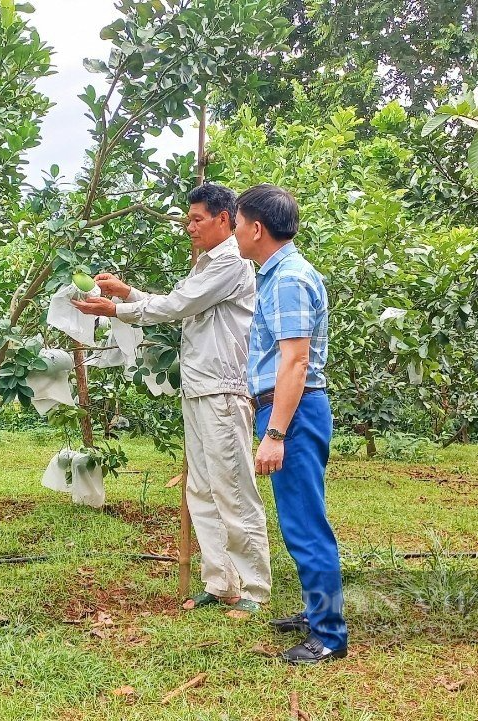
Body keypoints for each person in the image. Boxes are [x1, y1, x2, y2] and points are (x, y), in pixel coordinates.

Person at [72, 183, 272, 616]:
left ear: (224, 219)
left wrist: (115, 310)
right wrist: (126, 294)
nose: (190, 227)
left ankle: (255, 589)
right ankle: (222, 584)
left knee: (234, 489)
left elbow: (177, 305)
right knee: (200, 490)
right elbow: (176, 303)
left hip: (222, 388)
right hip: (198, 387)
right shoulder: (206, 265)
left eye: (198, 219)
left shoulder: (232, 263)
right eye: (188, 219)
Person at [233, 183, 348, 665]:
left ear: (256, 228)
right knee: (299, 519)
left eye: (236, 223)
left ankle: (328, 635)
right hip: (289, 409)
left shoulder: (288, 279)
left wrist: (276, 432)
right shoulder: (278, 275)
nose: (234, 233)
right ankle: (313, 612)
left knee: (304, 525)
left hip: (293, 412)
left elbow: (295, 362)